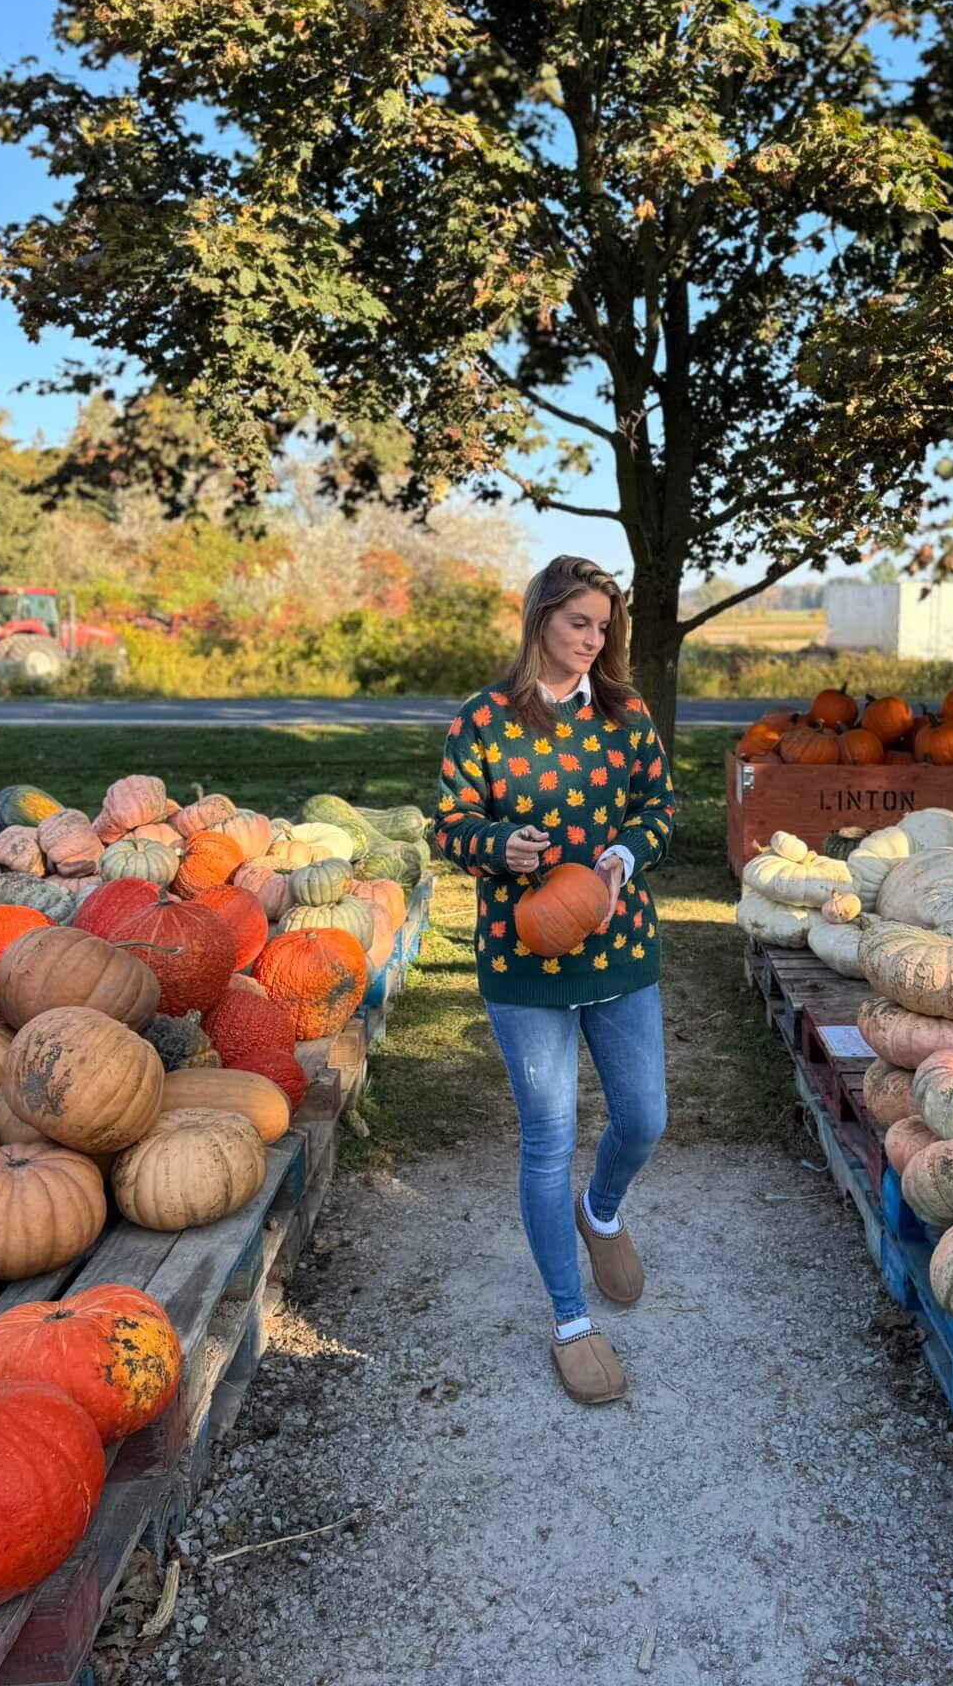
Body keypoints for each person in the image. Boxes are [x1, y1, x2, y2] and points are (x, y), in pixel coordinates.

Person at [433, 556, 676, 1405]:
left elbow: (660, 809)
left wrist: (620, 856)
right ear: (541, 618)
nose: (594, 640)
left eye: (604, 627)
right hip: (523, 955)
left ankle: (601, 1211)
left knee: (645, 1118)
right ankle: (570, 1319)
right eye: (580, 623)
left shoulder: (624, 714)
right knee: (549, 1134)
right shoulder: (485, 721)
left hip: (619, 947)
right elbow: (451, 824)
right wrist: (500, 846)